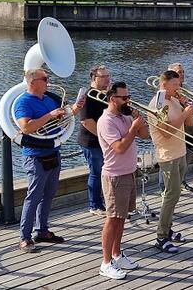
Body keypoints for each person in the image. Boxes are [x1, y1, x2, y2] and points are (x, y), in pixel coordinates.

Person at [14, 68, 84, 253]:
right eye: (44, 79)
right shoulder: (23, 102)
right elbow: (26, 128)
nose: (48, 81)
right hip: (35, 155)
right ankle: (24, 237)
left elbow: (62, 121)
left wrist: (75, 109)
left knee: (50, 193)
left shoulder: (49, 99)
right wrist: (50, 115)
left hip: (53, 150)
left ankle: (42, 230)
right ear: (32, 82)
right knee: (34, 196)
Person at [96, 82, 150, 280]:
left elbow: (144, 135)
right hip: (114, 176)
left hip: (128, 172)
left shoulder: (126, 116)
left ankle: (117, 254)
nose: (128, 101)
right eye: (124, 98)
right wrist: (133, 128)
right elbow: (119, 147)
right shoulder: (106, 121)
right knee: (112, 219)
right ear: (113, 99)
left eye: (128, 96)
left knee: (122, 217)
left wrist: (138, 122)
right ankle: (105, 262)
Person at [149, 70, 193, 253]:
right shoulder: (157, 104)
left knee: (175, 195)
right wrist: (184, 114)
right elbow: (165, 133)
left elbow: (190, 124)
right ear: (164, 84)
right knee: (170, 196)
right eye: (175, 85)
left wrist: (188, 108)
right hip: (167, 154)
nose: (178, 88)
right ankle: (161, 236)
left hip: (180, 151)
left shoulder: (176, 99)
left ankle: (167, 229)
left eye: (178, 84)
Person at [79, 65, 111, 216]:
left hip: (104, 140)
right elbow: (86, 121)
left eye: (108, 76)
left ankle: (104, 201)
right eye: (103, 77)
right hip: (92, 141)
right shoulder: (88, 95)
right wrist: (104, 137)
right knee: (96, 172)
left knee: (105, 172)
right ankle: (94, 205)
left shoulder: (106, 94)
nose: (107, 79)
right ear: (93, 79)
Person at [168, 62, 193, 193]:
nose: (182, 74)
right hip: (174, 129)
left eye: (183, 72)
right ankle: (164, 187)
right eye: (179, 72)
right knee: (171, 162)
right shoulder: (166, 93)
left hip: (187, 128)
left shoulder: (186, 88)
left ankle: (182, 181)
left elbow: (191, 105)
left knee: (186, 158)